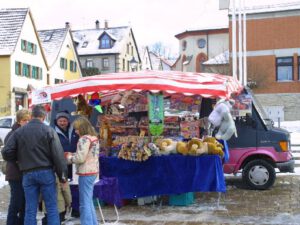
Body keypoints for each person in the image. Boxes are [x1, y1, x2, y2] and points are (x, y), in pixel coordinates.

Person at [1, 105, 68, 225]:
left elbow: (6, 152)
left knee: (30, 209)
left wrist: (19, 159)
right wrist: (63, 176)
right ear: (44, 117)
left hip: (28, 173)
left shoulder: (19, 131)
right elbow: (58, 156)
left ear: (31, 116)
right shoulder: (49, 130)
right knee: (52, 207)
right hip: (46, 172)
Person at [65, 116, 99, 225]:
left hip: (85, 172)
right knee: (88, 202)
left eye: (77, 128)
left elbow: (80, 158)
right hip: (93, 171)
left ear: (82, 128)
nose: (75, 131)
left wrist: (69, 158)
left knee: (84, 203)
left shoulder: (84, 139)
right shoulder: (94, 138)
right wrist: (74, 154)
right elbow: (87, 155)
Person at [4, 109, 31, 225]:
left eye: (29, 120)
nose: (27, 122)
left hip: (23, 173)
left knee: (24, 202)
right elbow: (7, 153)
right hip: (15, 174)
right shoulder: (13, 133)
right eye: (25, 120)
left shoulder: (25, 131)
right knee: (16, 202)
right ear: (19, 121)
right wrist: (21, 161)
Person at [54, 111, 79, 180]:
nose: (62, 123)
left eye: (64, 121)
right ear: (57, 121)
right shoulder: (53, 132)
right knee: (63, 180)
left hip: (74, 160)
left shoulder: (75, 130)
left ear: (68, 121)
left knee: (74, 180)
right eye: (60, 121)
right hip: (61, 161)